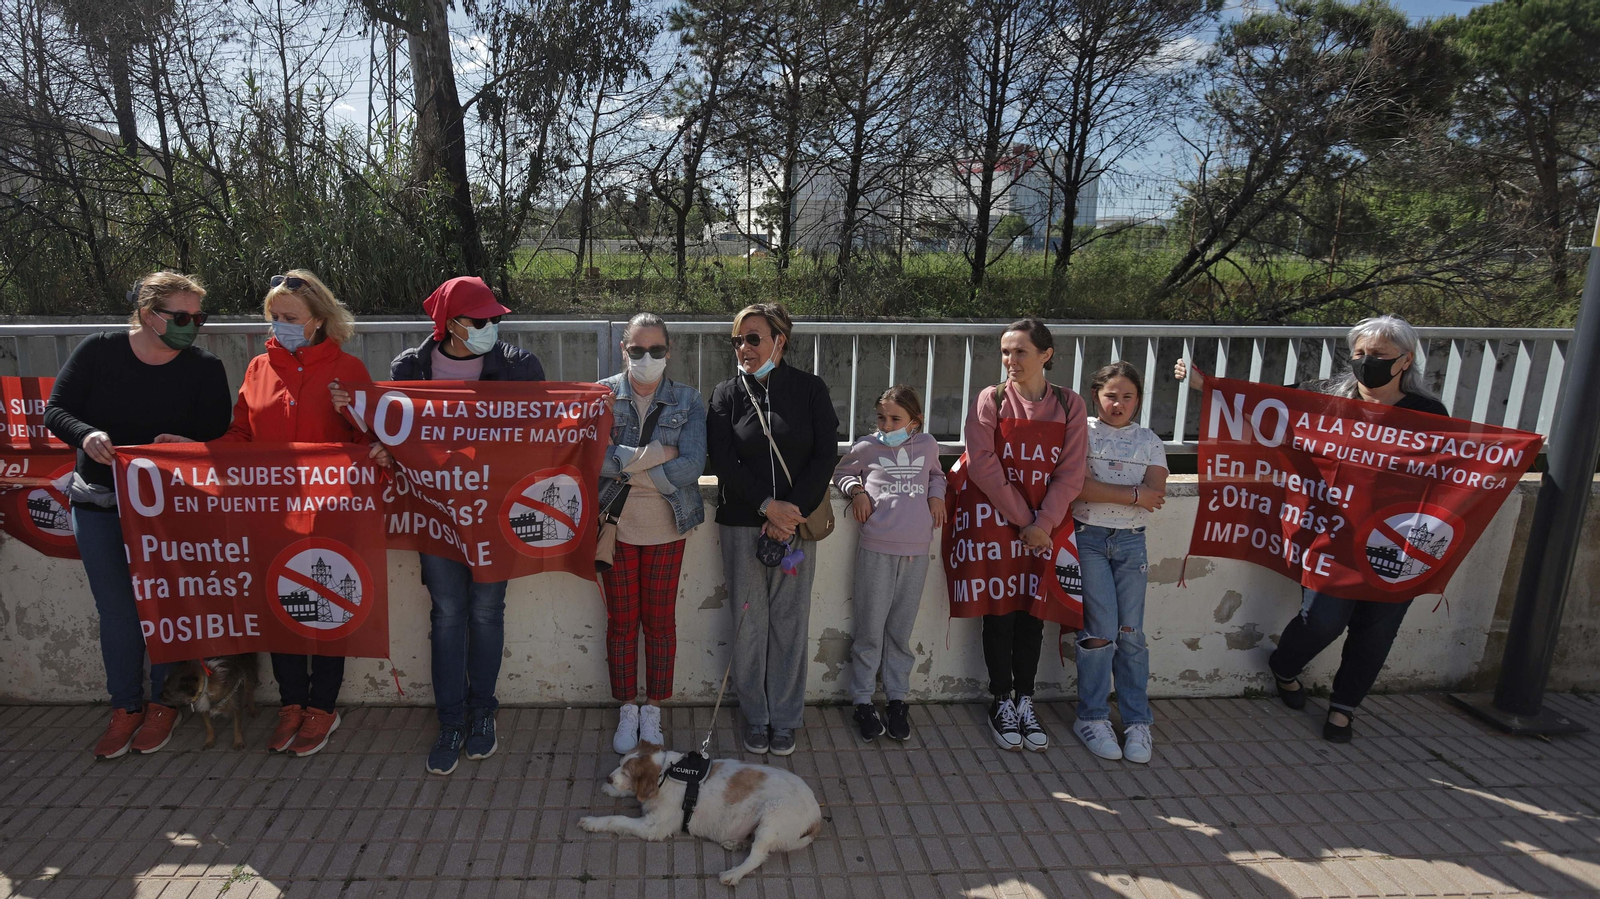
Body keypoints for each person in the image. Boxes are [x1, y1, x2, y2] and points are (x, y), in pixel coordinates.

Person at [1175, 314, 1447, 742]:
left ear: (1405, 360)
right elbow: (1263, 405)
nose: (1365, 362)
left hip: (1394, 542)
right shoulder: (1325, 399)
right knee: (1322, 621)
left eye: (1377, 355)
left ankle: (1344, 708)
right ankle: (1284, 666)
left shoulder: (1429, 413)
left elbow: (1451, 470)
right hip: (1330, 536)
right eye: (1359, 354)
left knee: (1376, 630)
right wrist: (1206, 386)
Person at [44, 272, 233, 759]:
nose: (193, 326)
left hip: (170, 512)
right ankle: (124, 707)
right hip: (100, 505)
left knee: (166, 609)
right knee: (119, 614)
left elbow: (220, 438)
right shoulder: (99, 351)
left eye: (199, 317)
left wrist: (192, 447)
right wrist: (85, 435)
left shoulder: (205, 368)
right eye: (183, 317)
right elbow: (57, 410)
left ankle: (161, 705)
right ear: (150, 316)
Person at [213, 270, 387, 757]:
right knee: (281, 607)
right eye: (273, 317)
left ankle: (323, 708)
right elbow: (241, 436)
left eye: (289, 318)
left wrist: (359, 423)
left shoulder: (347, 369)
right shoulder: (257, 368)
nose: (279, 326)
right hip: (272, 514)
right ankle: (291, 704)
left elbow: (367, 438)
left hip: (332, 512)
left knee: (328, 607)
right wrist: (192, 454)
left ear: (317, 320)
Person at [390, 276, 545, 774]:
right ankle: (451, 719)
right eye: (480, 320)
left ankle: (483, 712)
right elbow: (396, 432)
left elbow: (542, 429)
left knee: (486, 609)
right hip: (435, 513)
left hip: (493, 513)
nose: (490, 327)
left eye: (495, 319)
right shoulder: (410, 368)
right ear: (450, 324)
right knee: (447, 612)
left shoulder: (520, 367)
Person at [708, 303, 838, 757]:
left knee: (789, 623)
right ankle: (756, 716)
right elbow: (723, 461)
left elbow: (825, 455)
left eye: (753, 338)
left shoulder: (810, 390)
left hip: (795, 529)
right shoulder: (725, 394)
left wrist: (790, 512)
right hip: (745, 524)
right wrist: (767, 505)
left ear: (779, 340)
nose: (743, 348)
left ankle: (785, 718)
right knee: (749, 625)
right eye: (737, 340)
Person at [962, 317, 1087, 752]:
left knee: (1034, 613)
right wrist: (1024, 521)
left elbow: (1072, 473)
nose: (1010, 360)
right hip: (1001, 523)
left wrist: (1044, 523)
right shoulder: (990, 399)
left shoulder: (1071, 405)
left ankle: (1025, 699)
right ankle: (1001, 700)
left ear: (1046, 355)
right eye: (1005, 352)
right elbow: (983, 466)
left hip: (1046, 526)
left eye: (1020, 351)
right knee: (998, 612)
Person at [597, 313, 708, 754]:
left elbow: (693, 466)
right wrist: (658, 454)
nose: (647, 358)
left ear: (669, 352)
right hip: (616, 528)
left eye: (656, 350)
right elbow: (593, 459)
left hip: (667, 526)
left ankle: (653, 710)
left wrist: (627, 466)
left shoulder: (689, 400)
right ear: (624, 350)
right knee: (622, 624)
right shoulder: (601, 395)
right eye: (637, 350)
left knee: (660, 625)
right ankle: (627, 707)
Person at [1069, 362, 1168, 764]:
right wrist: (1132, 494)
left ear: (1138, 400)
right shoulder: (1083, 433)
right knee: (1100, 632)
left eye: (1127, 396)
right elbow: (1076, 486)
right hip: (1087, 539)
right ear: (1097, 396)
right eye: (1111, 395)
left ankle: (1136, 721)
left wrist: (1108, 491)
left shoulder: (1149, 440)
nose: (1118, 403)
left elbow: (1156, 494)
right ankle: (1091, 717)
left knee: (1131, 634)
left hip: (1131, 545)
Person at [834, 386, 946, 743]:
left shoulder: (927, 445)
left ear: (915, 421)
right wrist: (858, 491)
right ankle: (863, 700)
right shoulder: (867, 446)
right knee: (869, 630)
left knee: (899, 632)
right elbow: (843, 473)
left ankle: (897, 698)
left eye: (895, 418)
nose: (887, 424)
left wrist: (936, 496)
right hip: (877, 550)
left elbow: (937, 475)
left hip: (915, 552)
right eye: (881, 417)